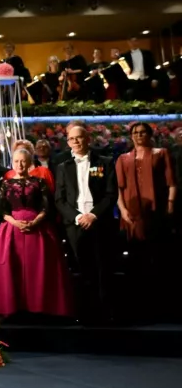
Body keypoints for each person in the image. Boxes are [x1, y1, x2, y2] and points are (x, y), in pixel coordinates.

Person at [0, 148, 72, 318]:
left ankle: (41, 306)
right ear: (12, 163)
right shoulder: (5, 184)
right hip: (11, 231)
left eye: (23, 161)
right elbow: (2, 209)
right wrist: (15, 222)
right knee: (12, 268)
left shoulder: (39, 182)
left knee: (39, 268)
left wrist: (35, 221)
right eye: (16, 161)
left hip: (38, 230)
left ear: (29, 163)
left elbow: (46, 207)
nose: (20, 164)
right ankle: (14, 307)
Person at [55, 122, 118, 323]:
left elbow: (111, 194)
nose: (76, 141)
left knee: (103, 267)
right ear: (68, 142)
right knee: (81, 269)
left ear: (87, 138)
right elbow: (60, 199)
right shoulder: (62, 166)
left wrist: (93, 215)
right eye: (72, 138)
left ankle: (106, 312)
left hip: (99, 221)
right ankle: (84, 312)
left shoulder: (105, 162)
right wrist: (77, 217)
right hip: (74, 224)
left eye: (79, 137)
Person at [115, 122, 175, 318]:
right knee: (135, 259)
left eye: (142, 132)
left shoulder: (161, 153)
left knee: (158, 258)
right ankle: (139, 307)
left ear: (149, 134)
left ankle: (162, 306)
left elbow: (172, 183)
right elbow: (119, 190)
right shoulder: (123, 159)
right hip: (132, 215)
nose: (138, 135)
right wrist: (122, 211)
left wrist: (170, 205)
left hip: (156, 213)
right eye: (135, 133)